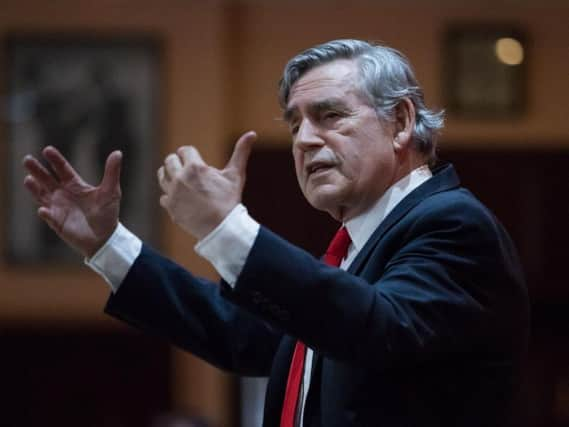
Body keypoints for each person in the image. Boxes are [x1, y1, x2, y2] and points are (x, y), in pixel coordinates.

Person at [22, 39, 530, 426]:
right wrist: (108, 244)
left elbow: (378, 331)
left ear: (399, 122)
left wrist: (227, 228)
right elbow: (240, 333)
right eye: (294, 125)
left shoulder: (451, 224)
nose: (306, 140)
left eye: (329, 115)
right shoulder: (358, 248)